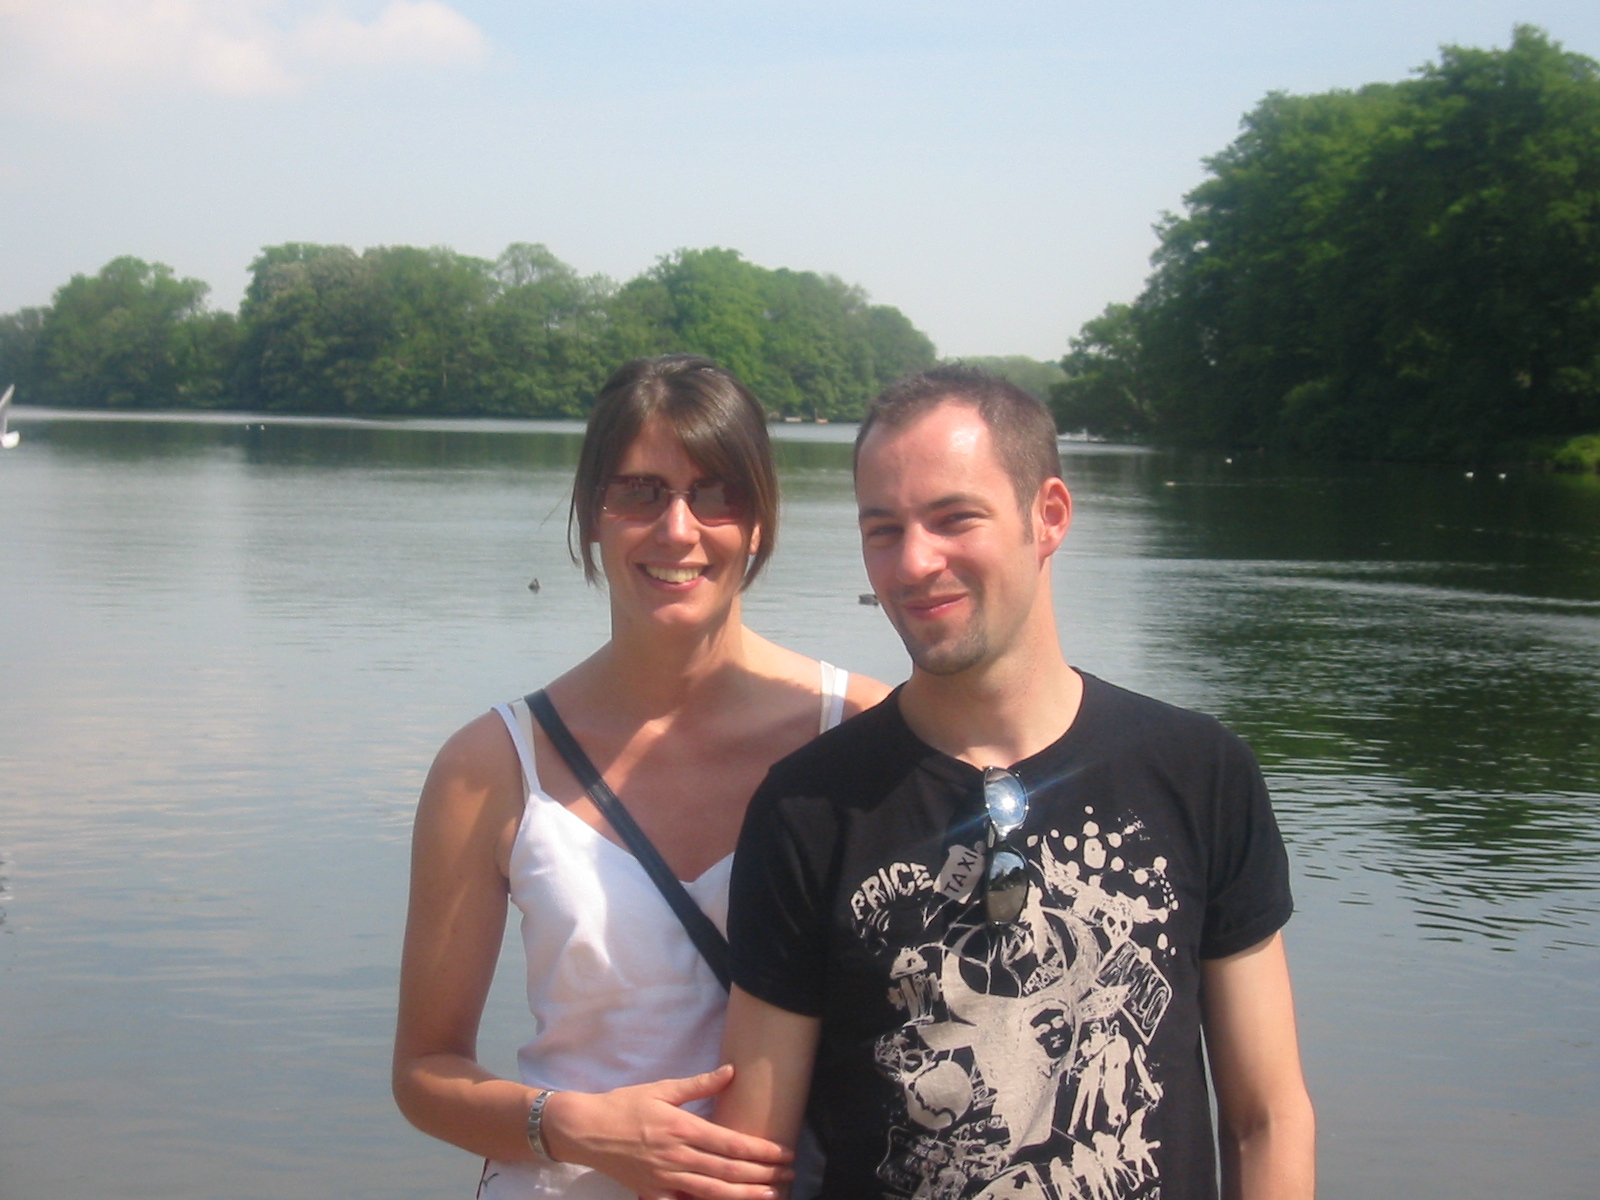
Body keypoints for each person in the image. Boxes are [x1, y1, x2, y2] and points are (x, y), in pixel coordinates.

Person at [714, 366, 1316, 1199]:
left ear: (1049, 516)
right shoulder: (808, 809)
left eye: (954, 518)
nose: (914, 562)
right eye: (883, 530)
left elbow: (1266, 1117)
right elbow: (750, 1158)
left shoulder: (1199, 773)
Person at [392, 355, 889, 1200]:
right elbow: (424, 1074)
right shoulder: (492, 765)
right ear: (593, 512)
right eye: (640, 492)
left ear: (760, 519)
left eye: (717, 493)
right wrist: (572, 1126)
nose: (678, 529)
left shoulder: (863, 736)